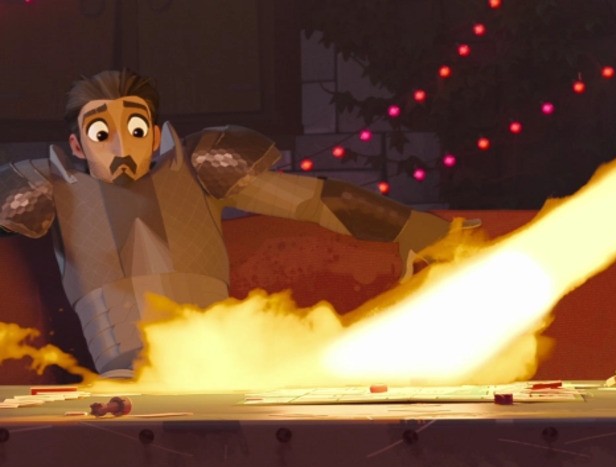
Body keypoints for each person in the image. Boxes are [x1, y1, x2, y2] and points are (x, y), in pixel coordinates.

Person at [0, 69, 465, 378]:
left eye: (136, 129)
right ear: (77, 145)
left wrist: (417, 230)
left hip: (221, 367)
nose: (121, 146)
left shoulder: (199, 167)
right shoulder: (48, 189)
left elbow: (315, 201)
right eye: (102, 132)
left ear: (156, 136)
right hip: (126, 383)